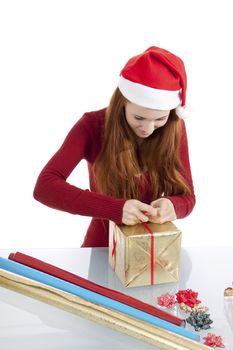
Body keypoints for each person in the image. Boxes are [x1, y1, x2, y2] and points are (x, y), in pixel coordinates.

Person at [33, 45, 195, 247]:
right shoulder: (92, 125)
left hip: (152, 250)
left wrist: (173, 205)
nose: (148, 128)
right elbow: (45, 187)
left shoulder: (174, 126)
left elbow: (188, 197)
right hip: (101, 247)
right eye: (138, 117)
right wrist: (116, 209)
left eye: (159, 119)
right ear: (122, 103)